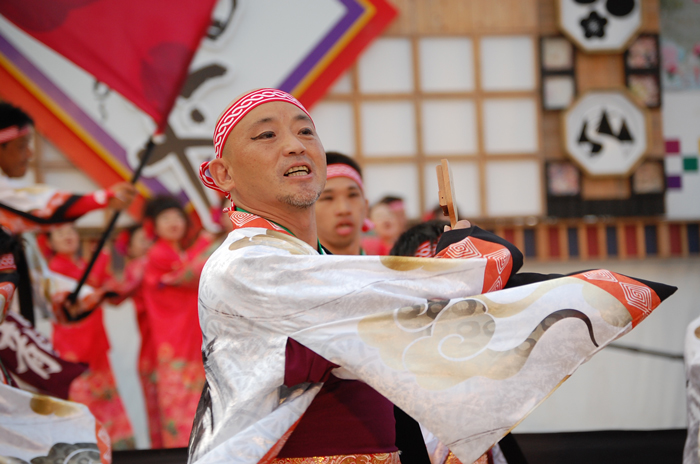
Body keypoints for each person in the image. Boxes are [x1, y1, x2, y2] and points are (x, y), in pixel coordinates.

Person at [190, 88, 674, 464]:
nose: (294, 145)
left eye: (305, 131)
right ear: (224, 174)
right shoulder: (245, 266)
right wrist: (476, 262)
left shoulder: (314, 263)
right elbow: (410, 301)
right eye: (266, 135)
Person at [47, 223, 135, 449]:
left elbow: (104, 289)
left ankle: (113, 447)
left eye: (70, 231)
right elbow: (86, 289)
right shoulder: (55, 268)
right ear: (50, 243)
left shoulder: (84, 265)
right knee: (82, 402)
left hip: (94, 342)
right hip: (73, 347)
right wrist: (103, 258)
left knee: (104, 398)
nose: (67, 235)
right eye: (60, 232)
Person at [141, 195, 212, 447]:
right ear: (153, 226)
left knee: (194, 403)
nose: (173, 221)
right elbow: (190, 272)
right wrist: (209, 240)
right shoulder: (159, 253)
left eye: (177, 216)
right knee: (182, 408)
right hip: (175, 342)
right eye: (165, 217)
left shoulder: (176, 252)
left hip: (187, 338)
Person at [111, 225, 160, 447]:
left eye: (150, 239)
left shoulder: (153, 262)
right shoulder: (141, 266)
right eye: (142, 240)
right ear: (128, 249)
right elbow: (117, 293)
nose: (149, 244)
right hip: (155, 340)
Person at [314, 151, 369, 255]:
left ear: (366, 207)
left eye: (352, 195)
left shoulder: (386, 270)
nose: (344, 209)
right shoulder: (294, 270)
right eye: (328, 198)